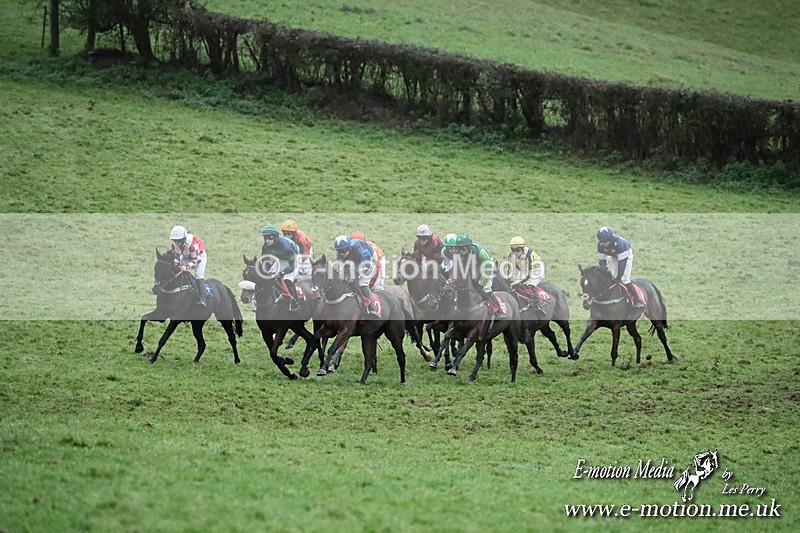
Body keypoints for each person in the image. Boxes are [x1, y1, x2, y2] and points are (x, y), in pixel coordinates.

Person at [452, 234, 505, 318]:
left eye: (463, 249)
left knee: (486, 288)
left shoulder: (480, 252)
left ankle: (499, 310)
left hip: (486, 265)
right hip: (472, 266)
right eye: (459, 248)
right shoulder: (457, 253)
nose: (461, 251)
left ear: (469, 247)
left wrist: (482, 283)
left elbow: (488, 268)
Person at [596, 226, 644, 308]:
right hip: (613, 256)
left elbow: (622, 263)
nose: (603, 243)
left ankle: (638, 299)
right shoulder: (600, 246)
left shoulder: (619, 245)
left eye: (605, 241)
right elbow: (602, 262)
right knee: (609, 276)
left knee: (624, 279)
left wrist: (619, 277)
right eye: (601, 241)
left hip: (625, 255)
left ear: (610, 239)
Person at [334, 235, 379, 316]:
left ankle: (373, 309)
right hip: (353, 261)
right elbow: (341, 269)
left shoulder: (358, 248)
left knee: (362, 284)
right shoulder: (339, 255)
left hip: (368, 260)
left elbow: (367, 266)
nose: (342, 254)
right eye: (340, 251)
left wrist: (355, 275)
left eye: (344, 251)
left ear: (349, 248)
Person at [261, 224, 302, 311]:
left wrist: (282, 273)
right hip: (281, 258)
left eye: (270, 238)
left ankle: (295, 303)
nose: (267, 241)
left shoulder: (285, 247)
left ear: (276, 237)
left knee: (287, 280)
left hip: (294, 260)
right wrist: (267, 271)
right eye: (265, 238)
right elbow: (265, 261)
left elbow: (293, 264)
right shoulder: (265, 247)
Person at [504, 236, 546, 316]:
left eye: (518, 250)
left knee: (529, 285)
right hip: (523, 269)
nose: (515, 253)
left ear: (522, 248)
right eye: (513, 250)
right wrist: (510, 277)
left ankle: (538, 306)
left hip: (536, 269)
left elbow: (528, 275)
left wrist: (520, 283)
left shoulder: (529, 254)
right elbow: (510, 268)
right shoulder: (511, 256)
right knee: (513, 285)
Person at [169, 225, 207, 306]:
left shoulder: (191, 246)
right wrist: (176, 264)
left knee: (199, 274)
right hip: (186, 256)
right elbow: (176, 256)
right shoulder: (173, 245)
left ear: (183, 239)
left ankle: (202, 298)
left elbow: (197, 260)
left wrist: (186, 266)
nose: (176, 243)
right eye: (175, 240)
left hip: (199, 256)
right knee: (177, 269)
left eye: (178, 241)